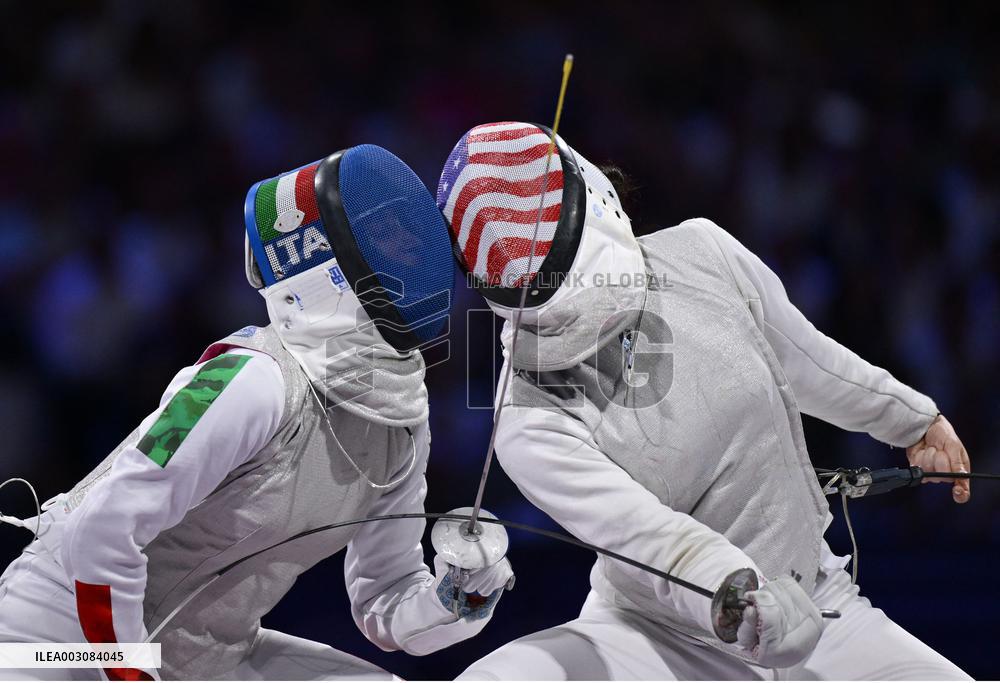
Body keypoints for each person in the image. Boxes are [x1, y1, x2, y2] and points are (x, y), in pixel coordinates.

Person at [435, 121, 969, 680]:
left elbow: (808, 360)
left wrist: (912, 420)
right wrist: (739, 597)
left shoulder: (703, 253)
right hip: (655, 641)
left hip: (822, 609)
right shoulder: (527, 418)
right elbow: (644, 535)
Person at [0, 145, 513, 680]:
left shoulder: (400, 419)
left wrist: (458, 595)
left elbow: (386, 601)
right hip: (61, 641)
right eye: (387, 242)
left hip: (204, 656)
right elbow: (101, 530)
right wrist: (131, 674)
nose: (410, 255)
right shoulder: (243, 379)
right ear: (327, 270)